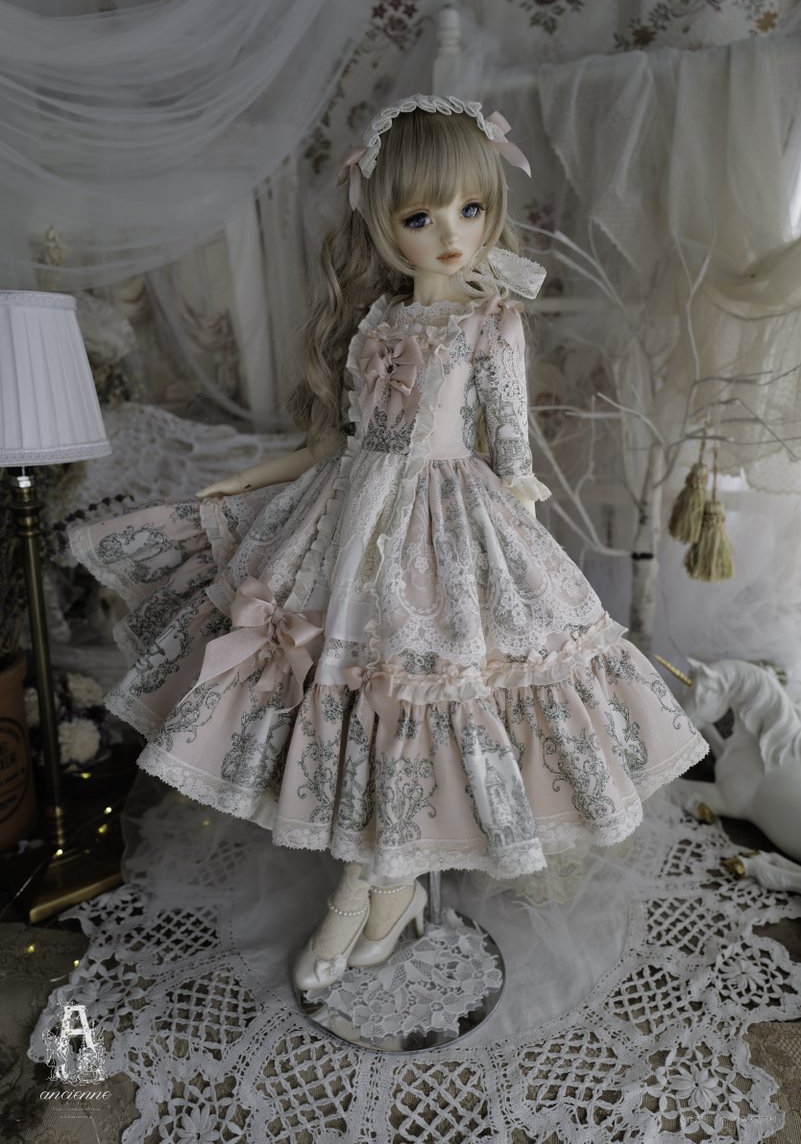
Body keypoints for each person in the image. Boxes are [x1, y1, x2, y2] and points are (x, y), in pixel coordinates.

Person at [70, 94, 707, 993]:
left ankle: (368, 893)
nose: (449, 234)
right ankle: (384, 890)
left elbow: (512, 455)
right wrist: (252, 479)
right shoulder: (374, 323)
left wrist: (521, 569)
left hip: (447, 529)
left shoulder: (491, 322)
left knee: (416, 697)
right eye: (420, 216)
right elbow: (337, 440)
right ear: (382, 221)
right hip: (344, 517)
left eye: (469, 209)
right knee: (345, 696)